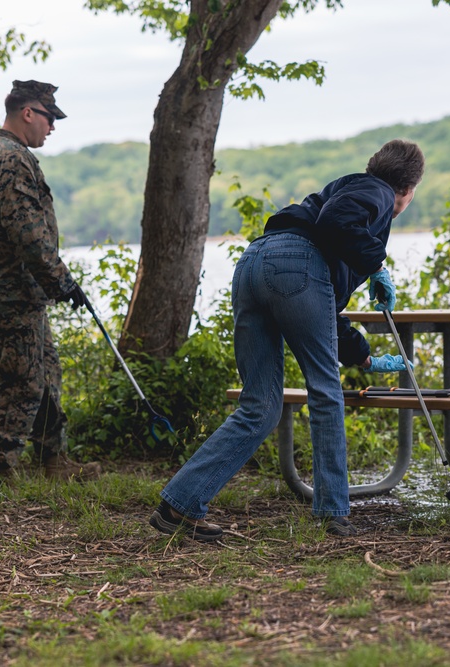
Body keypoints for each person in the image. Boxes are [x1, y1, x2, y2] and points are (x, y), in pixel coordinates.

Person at [150, 139, 425, 540]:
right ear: (409, 188)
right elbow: (334, 224)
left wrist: (364, 358)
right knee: (325, 392)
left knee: (260, 405)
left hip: (254, 264)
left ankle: (179, 505)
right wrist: (377, 264)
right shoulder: (378, 190)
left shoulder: (348, 191)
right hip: (296, 264)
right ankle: (333, 512)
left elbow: (323, 308)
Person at [0, 79, 100, 482]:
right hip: (10, 288)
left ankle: (52, 461)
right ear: (28, 113)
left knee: (45, 371)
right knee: (20, 377)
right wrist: (61, 281)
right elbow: (27, 232)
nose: (52, 127)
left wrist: (55, 283)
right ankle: (0, 467)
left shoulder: (0, 153)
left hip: (20, 288)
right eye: (49, 118)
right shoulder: (8, 158)